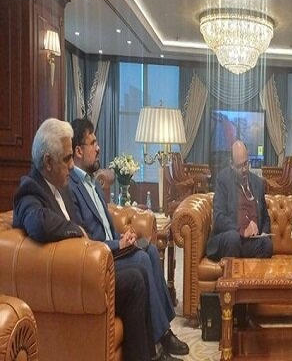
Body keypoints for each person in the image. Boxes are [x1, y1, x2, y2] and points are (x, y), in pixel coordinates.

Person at [12, 118, 156, 361]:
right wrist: (76, 230)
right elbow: (37, 223)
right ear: (47, 162)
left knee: (139, 271)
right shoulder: (30, 190)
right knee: (134, 279)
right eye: (67, 159)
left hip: (83, 269)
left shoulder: (61, 186)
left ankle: (148, 354)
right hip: (64, 281)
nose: (71, 166)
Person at [67, 118, 188, 360]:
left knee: (150, 250)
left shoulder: (93, 182)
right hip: (101, 258)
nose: (98, 148)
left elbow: (104, 225)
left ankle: (163, 332)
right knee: (142, 260)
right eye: (93, 143)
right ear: (78, 151)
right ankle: (158, 342)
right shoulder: (71, 187)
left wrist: (123, 236)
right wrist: (117, 245)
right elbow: (84, 239)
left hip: (114, 247)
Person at [206, 140, 273, 261]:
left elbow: (265, 217)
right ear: (231, 165)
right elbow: (219, 217)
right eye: (239, 166)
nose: (244, 169)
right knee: (234, 238)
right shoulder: (223, 179)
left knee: (266, 244)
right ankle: (233, 273)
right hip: (230, 237)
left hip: (250, 241)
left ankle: (250, 273)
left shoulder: (257, 182)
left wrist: (263, 233)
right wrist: (241, 230)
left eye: (246, 163)